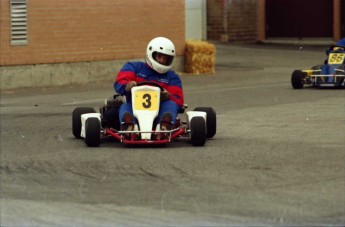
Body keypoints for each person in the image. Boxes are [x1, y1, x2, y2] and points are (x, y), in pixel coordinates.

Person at [114, 37, 184, 137]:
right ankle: (130, 127)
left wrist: (168, 96)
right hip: (134, 107)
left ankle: (163, 127)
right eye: (160, 56)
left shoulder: (172, 77)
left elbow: (178, 101)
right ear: (151, 54)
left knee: (171, 105)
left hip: (161, 109)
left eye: (166, 58)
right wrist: (127, 86)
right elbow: (119, 83)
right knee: (124, 107)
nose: (163, 60)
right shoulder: (134, 67)